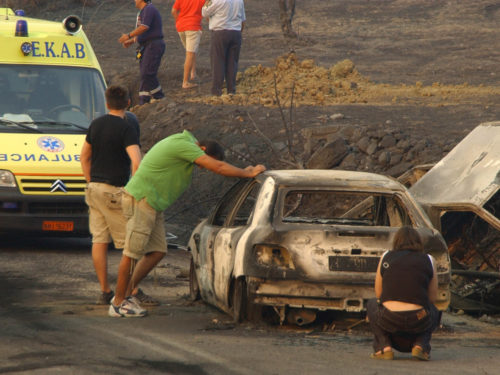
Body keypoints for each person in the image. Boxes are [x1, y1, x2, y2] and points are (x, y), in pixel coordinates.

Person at [109, 130, 266, 317]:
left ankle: (127, 293)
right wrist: (246, 173)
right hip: (141, 199)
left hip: (153, 204)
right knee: (132, 253)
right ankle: (118, 303)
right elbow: (219, 167)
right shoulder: (185, 146)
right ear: (203, 149)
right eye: (203, 161)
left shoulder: (187, 143)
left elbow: (213, 164)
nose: (201, 167)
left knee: (158, 251)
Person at [80, 85, 157, 307]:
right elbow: (136, 160)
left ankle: (105, 290)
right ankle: (130, 290)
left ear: (106, 103)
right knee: (129, 244)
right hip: (115, 191)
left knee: (99, 240)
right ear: (128, 104)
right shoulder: (127, 128)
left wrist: (90, 181)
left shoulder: (96, 124)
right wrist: (134, 188)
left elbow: (84, 157)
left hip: (94, 189)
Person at [366, 226, 440, 361]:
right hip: (418, 319)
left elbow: (378, 294)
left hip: (388, 318)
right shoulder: (429, 259)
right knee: (435, 310)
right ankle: (420, 345)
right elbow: (433, 298)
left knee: (371, 303)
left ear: (396, 241)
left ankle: (384, 348)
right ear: (419, 242)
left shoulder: (386, 256)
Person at [118, 0, 165, 105]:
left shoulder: (149, 9)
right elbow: (145, 32)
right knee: (144, 74)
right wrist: (131, 41)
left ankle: (159, 97)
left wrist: (128, 35)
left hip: (153, 45)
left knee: (147, 73)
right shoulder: (143, 12)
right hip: (146, 46)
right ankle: (144, 101)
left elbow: (144, 27)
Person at [202, 0, 245, 96]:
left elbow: (204, 12)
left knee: (218, 62)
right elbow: (243, 20)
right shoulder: (239, 1)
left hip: (220, 32)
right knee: (232, 63)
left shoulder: (217, 1)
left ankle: (216, 91)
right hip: (236, 32)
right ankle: (231, 90)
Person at [171, 0, 205, 89]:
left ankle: (193, 73)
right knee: (190, 53)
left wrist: (178, 21)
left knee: (190, 51)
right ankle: (185, 82)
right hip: (193, 26)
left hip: (181, 27)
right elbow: (207, 10)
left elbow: (174, 11)